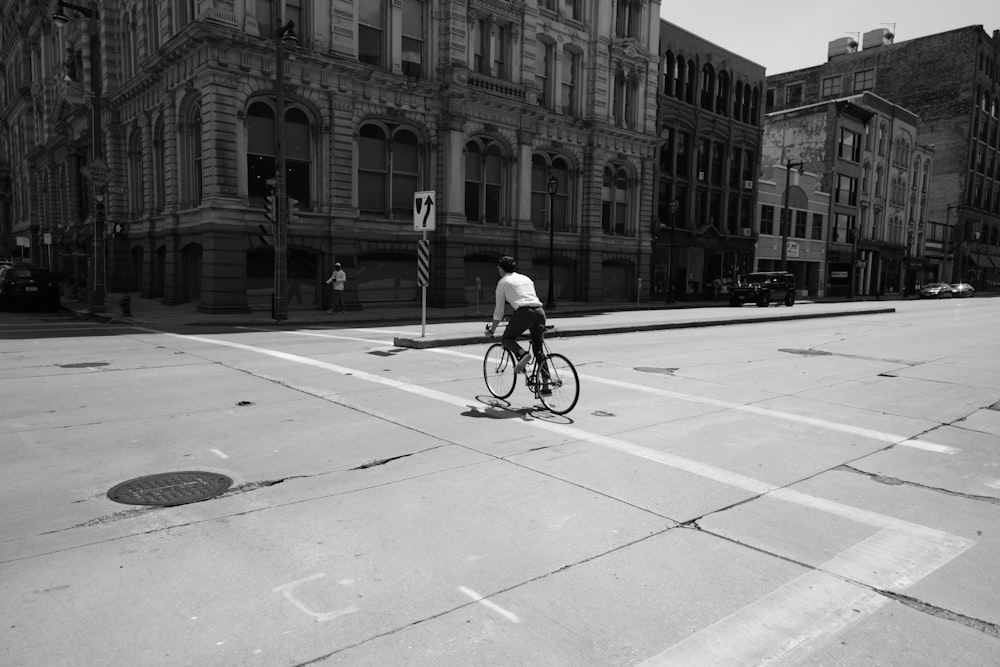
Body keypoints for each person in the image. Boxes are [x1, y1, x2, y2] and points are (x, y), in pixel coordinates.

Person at [485, 256, 545, 375]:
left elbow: (499, 310)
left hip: (524, 313)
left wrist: (492, 330)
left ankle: (523, 354)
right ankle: (545, 384)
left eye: (499, 268)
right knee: (538, 350)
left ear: (501, 269)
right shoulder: (526, 278)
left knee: (507, 339)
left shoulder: (502, 282)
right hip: (540, 312)